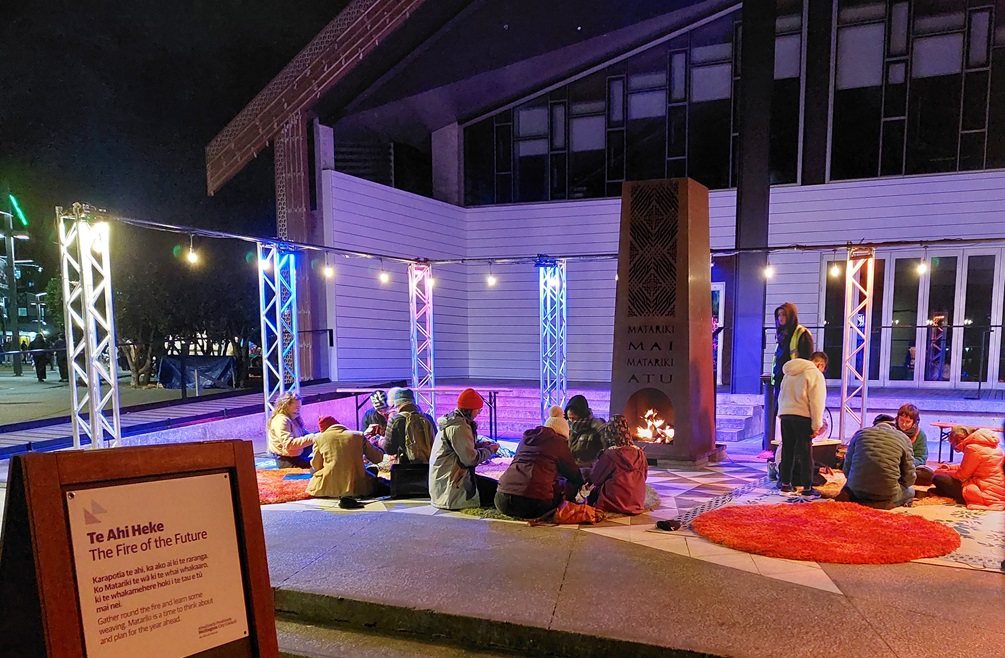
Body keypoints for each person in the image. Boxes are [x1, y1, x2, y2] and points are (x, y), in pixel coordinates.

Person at [495, 406, 584, 519]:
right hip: (534, 504)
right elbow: (573, 474)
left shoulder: (525, 439)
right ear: (563, 434)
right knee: (563, 486)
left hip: (502, 500)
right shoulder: (558, 442)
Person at [428, 388, 500, 510]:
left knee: (493, 487)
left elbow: (460, 447)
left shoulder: (454, 422)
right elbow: (470, 459)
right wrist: (490, 450)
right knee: (497, 493)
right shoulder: (459, 427)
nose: (478, 413)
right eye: (478, 410)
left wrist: (479, 445)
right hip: (451, 488)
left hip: (447, 482)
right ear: (471, 410)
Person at [766, 302, 814, 476]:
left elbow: (808, 363)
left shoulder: (801, 334)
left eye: (784, 315)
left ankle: (797, 475)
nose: (781, 319)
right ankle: (785, 473)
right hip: (782, 388)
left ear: (791, 316)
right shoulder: (782, 335)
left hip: (796, 390)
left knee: (796, 437)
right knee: (785, 432)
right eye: (778, 316)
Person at [835, 414, 916, 510]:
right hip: (887, 494)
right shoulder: (904, 438)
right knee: (911, 491)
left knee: (849, 486)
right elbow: (909, 477)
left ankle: (854, 497)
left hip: (857, 490)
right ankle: (883, 502)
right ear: (894, 426)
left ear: (874, 425)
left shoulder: (860, 434)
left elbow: (846, 468)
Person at [776, 351, 828, 497]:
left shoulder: (789, 372)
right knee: (805, 453)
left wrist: (782, 414)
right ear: (820, 364)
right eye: (823, 368)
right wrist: (816, 426)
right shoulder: (815, 374)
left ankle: (785, 485)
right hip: (803, 416)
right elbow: (817, 402)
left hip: (786, 415)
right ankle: (807, 488)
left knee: (788, 451)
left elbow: (781, 395)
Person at [307, 416, 390, 498]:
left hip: (326, 489)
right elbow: (378, 458)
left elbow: (317, 466)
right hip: (358, 489)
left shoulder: (319, 438)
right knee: (372, 470)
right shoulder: (358, 435)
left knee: (312, 470)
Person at [930, 426, 1005, 511]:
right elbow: (971, 465)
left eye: (953, 444)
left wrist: (943, 472)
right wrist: (949, 467)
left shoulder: (972, 448)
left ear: (958, 438)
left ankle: (957, 496)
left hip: (984, 491)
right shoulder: (991, 444)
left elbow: (962, 476)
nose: (955, 448)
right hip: (999, 489)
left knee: (938, 478)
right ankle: (941, 492)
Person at [587, 415, 648, 515]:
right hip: (637, 503)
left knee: (594, 492)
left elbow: (596, 479)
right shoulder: (640, 454)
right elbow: (644, 477)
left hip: (613, 502)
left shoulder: (610, 455)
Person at [381, 388, 436, 464]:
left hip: (404, 467)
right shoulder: (428, 418)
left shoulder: (395, 420)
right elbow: (436, 443)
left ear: (397, 404)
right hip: (428, 465)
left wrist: (380, 441)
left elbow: (389, 450)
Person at [266, 392, 318, 469]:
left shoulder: (293, 418)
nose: (299, 408)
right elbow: (289, 444)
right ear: (287, 405)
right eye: (297, 406)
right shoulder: (281, 420)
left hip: (297, 454)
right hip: (288, 460)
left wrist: (320, 435)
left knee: (321, 438)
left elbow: (304, 434)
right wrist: (313, 437)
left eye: (300, 406)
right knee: (321, 464)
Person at [564, 394, 607, 466]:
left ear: (581, 414)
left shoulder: (596, 427)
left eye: (573, 418)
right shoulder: (568, 429)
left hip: (590, 472)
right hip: (573, 470)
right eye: (569, 418)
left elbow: (605, 451)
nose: (571, 421)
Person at [896, 403, 932, 486]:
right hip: (892, 465)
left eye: (908, 422)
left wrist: (905, 463)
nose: (904, 424)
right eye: (901, 420)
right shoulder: (891, 430)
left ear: (914, 422)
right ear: (897, 418)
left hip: (909, 467)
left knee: (928, 476)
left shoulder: (920, 434)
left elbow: (921, 458)